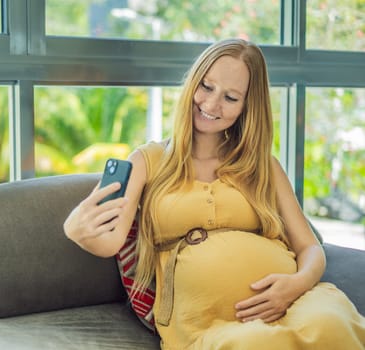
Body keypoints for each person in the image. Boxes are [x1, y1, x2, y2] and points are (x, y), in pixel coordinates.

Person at [63, 38, 365, 349]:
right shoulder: (147, 161)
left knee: (332, 324)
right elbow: (110, 241)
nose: (211, 104)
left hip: (297, 300)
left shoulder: (263, 165)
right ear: (193, 82)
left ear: (248, 106)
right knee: (256, 344)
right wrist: (76, 228)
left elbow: (310, 247)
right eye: (206, 87)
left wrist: (295, 285)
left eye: (231, 97)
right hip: (206, 320)